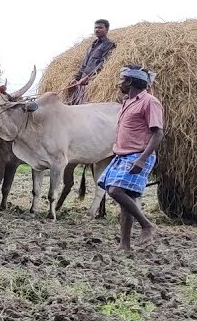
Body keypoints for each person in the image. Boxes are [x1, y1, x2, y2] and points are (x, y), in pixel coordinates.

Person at [97, 65, 164, 252]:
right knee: (127, 200)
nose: (119, 83)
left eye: (122, 79)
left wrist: (142, 159)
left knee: (115, 190)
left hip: (138, 155)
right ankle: (125, 245)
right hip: (123, 154)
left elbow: (158, 133)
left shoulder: (150, 102)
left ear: (130, 81)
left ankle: (147, 225)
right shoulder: (127, 102)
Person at [65, 19, 116, 105]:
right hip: (82, 82)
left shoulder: (109, 44)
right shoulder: (92, 46)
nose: (97, 30)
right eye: (95, 27)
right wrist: (76, 78)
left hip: (93, 82)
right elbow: (84, 65)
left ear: (107, 29)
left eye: (100, 27)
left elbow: (104, 63)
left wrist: (88, 77)